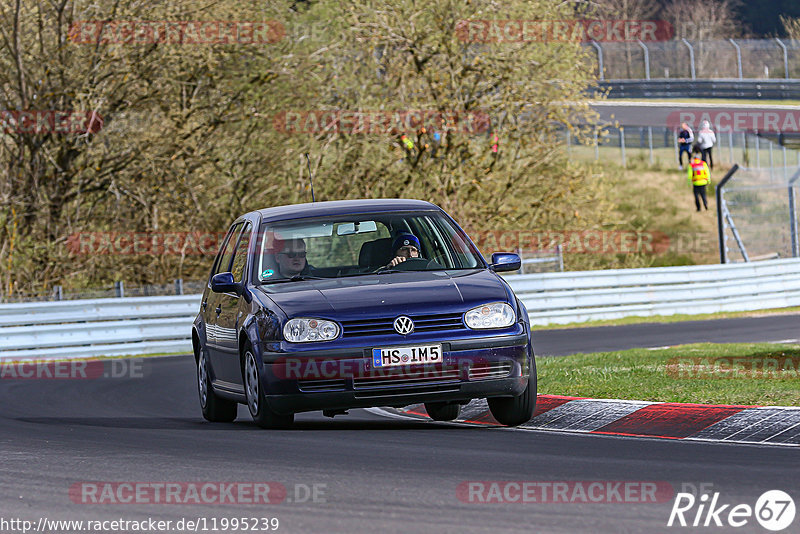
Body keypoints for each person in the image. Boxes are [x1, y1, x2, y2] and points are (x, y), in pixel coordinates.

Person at [687, 146, 710, 211]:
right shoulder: (703, 163)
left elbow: (690, 175)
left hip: (696, 182)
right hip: (703, 182)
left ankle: (698, 208)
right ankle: (705, 204)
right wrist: (708, 180)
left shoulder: (691, 165)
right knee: (703, 194)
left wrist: (689, 182)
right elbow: (707, 172)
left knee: (696, 196)